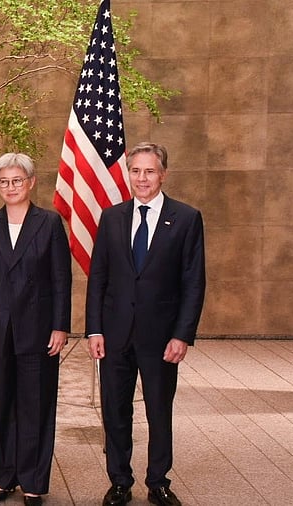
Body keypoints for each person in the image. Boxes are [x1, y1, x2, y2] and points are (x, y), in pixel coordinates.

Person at [86, 142, 206, 506]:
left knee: (158, 410)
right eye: (136, 171)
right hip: (115, 335)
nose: (142, 178)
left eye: (149, 171)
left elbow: (193, 282)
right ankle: (120, 481)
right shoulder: (112, 217)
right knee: (115, 411)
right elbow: (99, 278)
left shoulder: (186, 218)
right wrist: (94, 329)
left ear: (162, 174)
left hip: (161, 337)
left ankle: (158, 482)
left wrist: (182, 335)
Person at [0, 153, 72, 506]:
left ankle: (33, 481)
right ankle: (4, 477)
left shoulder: (50, 223)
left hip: (38, 330)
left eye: (17, 180)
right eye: (4, 181)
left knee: (35, 405)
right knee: (2, 403)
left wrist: (60, 326)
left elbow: (60, 278)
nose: (11, 187)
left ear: (31, 182)